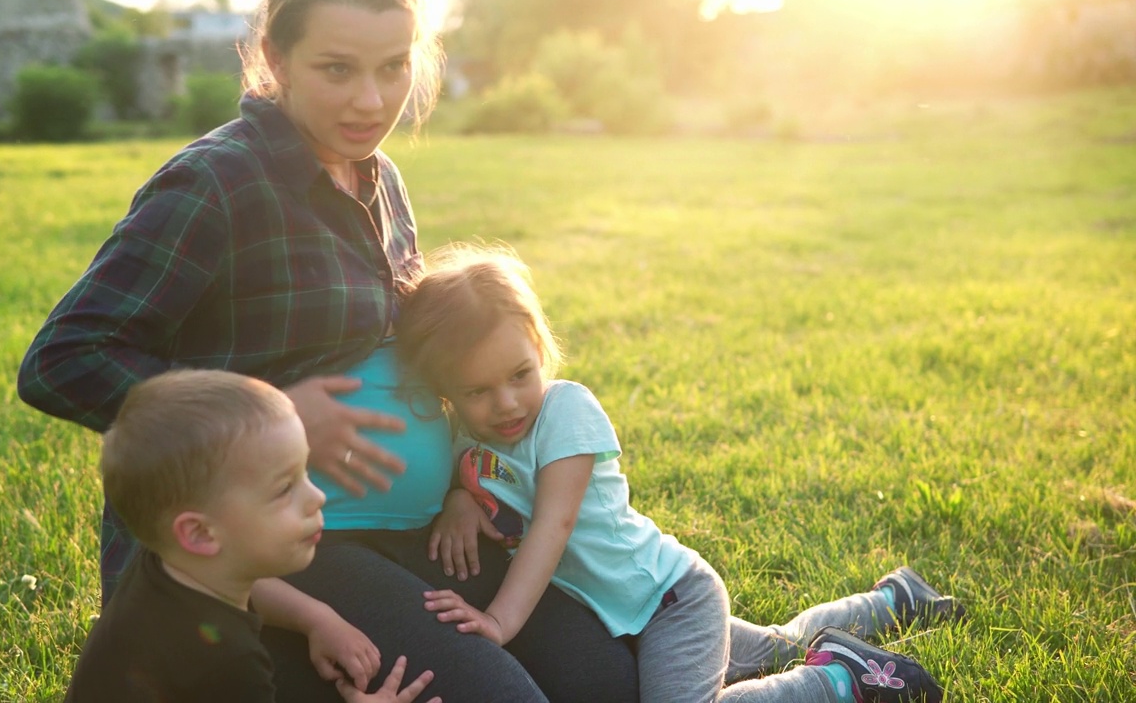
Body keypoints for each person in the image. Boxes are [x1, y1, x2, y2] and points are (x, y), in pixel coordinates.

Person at [16, 0, 639, 700]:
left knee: (606, 680)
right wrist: (271, 414)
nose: (371, 102)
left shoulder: (380, 179)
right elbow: (63, 359)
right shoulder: (216, 183)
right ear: (276, 58)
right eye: (337, 70)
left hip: (418, 526)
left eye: (393, 67)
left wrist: (465, 484)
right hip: (280, 540)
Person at [394, 246, 965, 703]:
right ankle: (896, 600)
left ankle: (840, 679)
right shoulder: (468, 440)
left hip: (671, 602)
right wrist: (460, 503)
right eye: (478, 391)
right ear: (448, 394)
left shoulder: (565, 412)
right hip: (624, 618)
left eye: (520, 374)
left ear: (540, 346)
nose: (507, 403)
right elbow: (482, 481)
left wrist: (499, 621)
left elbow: (551, 526)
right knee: (779, 644)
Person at [64, 369, 437, 703]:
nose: (317, 497)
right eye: (283, 488)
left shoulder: (162, 564)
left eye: (305, 473)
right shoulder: (229, 660)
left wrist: (316, 618)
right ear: (199, 533)